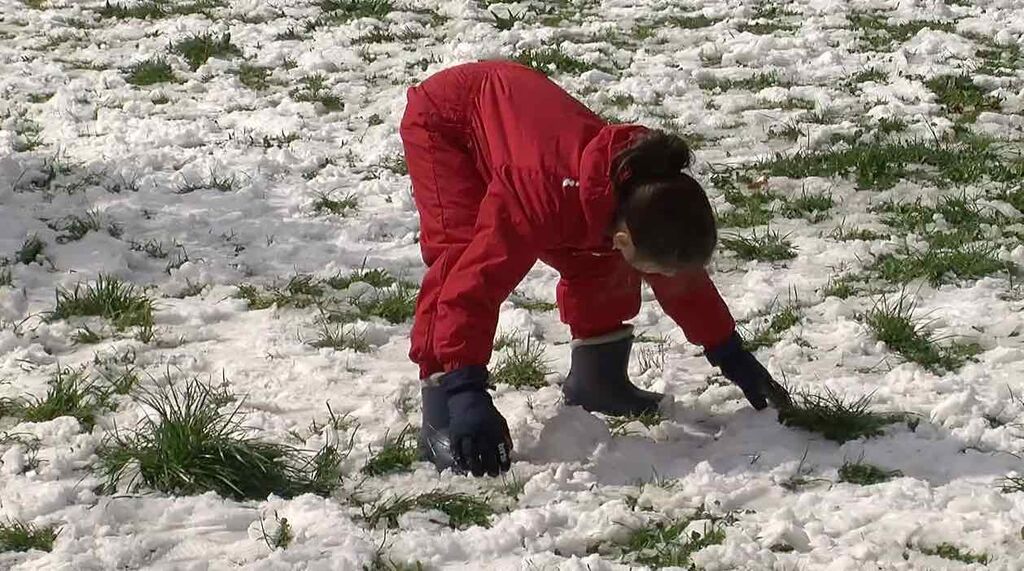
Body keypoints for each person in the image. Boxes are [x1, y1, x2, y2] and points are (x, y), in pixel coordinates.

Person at [399, 61, 790, 478]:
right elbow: (474, 288)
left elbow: (681, 279)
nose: (660, 279)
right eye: (655, 271)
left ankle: (598, 381)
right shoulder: (538, 195)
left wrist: (730, 352)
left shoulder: (642, 194)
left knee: (600, 260)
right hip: (448, 121)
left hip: (519, 127)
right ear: (627, 235)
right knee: (459, 258)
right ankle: (441, 413)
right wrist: (465, 389)